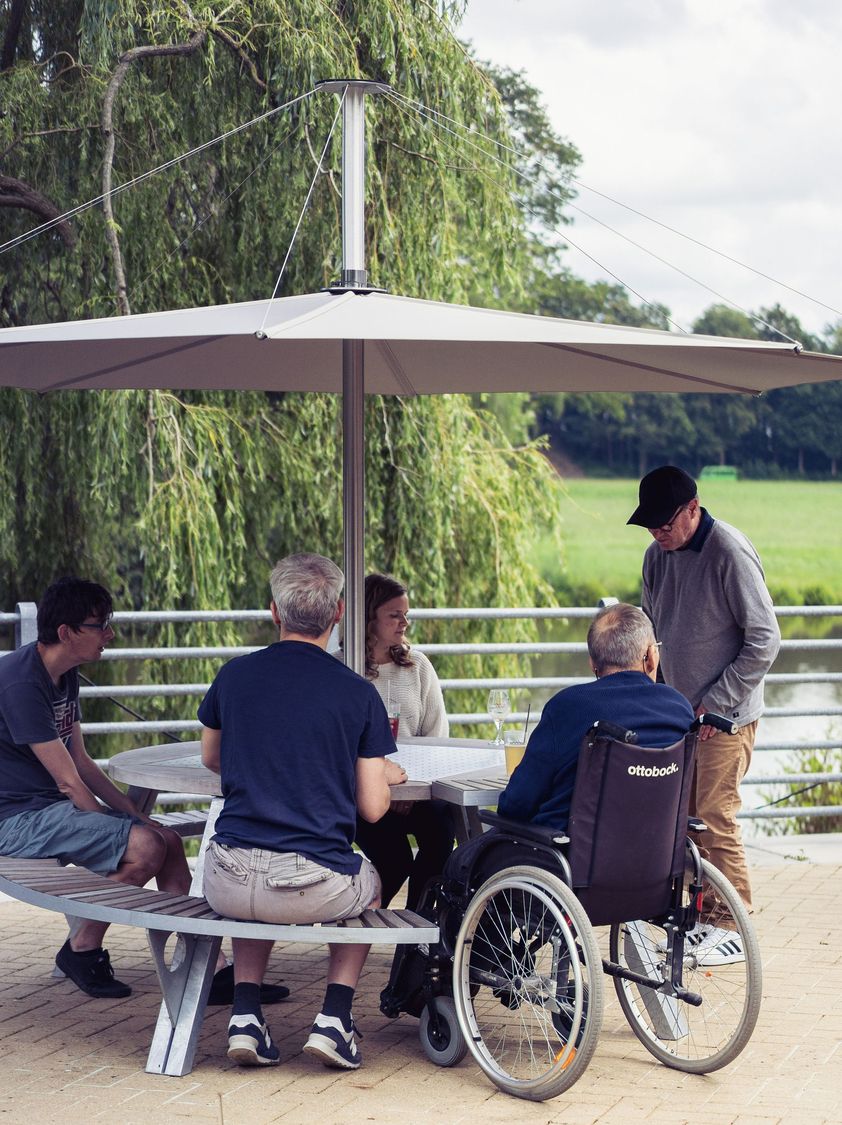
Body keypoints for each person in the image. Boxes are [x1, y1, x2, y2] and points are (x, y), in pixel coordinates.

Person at [198, 553, 393, 1070]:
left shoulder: (234, 676)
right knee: (370, 881)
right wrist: (379, 773)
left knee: (250, 881)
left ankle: (245, 1015)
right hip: (309, 887)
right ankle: (334, 1020)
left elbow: (213, 757)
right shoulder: (357, 693)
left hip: (226, 877)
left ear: (274, 612)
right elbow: (373, 809)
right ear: (339, 613)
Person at [0, 577, 192, 999]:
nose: (110, 634)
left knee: (168, 840)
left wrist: (133, 814)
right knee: (146, 847)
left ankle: (202, 968)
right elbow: (68, 781)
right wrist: (123, 828)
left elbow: (82, 763)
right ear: (66, 632)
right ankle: (83, 949)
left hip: (50, 810)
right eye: (100, 625)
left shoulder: (64, 674)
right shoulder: (21, 683)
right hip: (15, 820)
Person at [628, 465, 780, 957]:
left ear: (693, 508)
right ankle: (702, 919)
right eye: (650, 524)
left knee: (715, 817)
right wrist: (651, 699)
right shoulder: (656, 557)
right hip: (678, 716)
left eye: (665, 523)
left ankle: (733, 929)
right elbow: (651, 635)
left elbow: (765, 640)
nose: (657, 532)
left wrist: (716, 703)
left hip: (724, 718)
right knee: (685, 821)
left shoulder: (728, 552)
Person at [498, 602, 694, 831]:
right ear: (651, 655)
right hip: (655, 849)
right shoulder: (679, 709)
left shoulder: (567, 707)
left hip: (563, 849)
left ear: (592, 663)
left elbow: (516, 804)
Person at [353, 573, 453, 910]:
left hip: (416, 789)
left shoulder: (417, 665)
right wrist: (382, 786)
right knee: (395, 859)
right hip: (363, 793)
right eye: (395, 615)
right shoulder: (343, 668)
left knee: (442, 829)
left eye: (406, 614)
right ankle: (361, 920)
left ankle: (417, 922)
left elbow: (436, 734)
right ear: (368, 617)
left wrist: (411, 789)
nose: (405, 623)